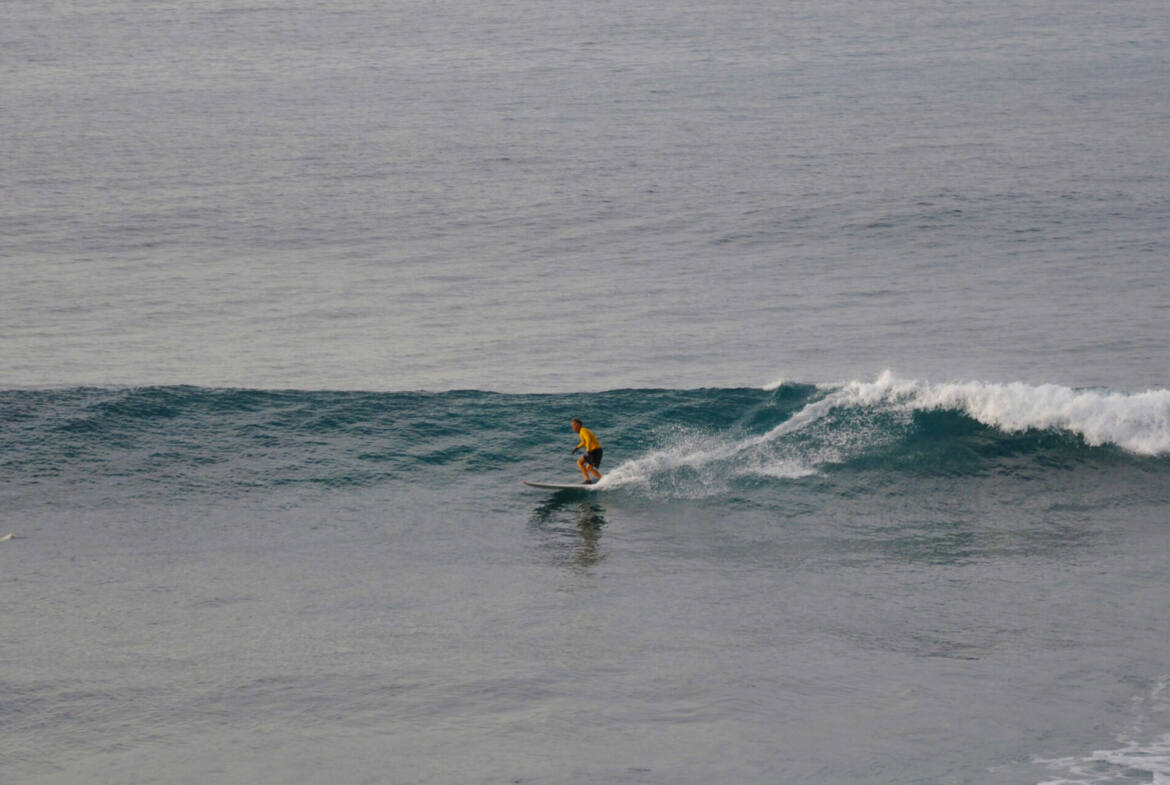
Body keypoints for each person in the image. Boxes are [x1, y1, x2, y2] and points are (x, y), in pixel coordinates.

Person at [571, 418, 603, 484]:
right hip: (595, 450)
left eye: (573, 425)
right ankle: (602, 480)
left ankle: (589, 480)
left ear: (578, 425)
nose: (573, 427)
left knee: (581, 463)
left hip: (595, 451)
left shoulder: (583, 430)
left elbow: (588, 440)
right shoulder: (581, 432)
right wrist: (576, 448)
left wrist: (588, 450)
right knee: (588, 467)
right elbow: (583, 442)